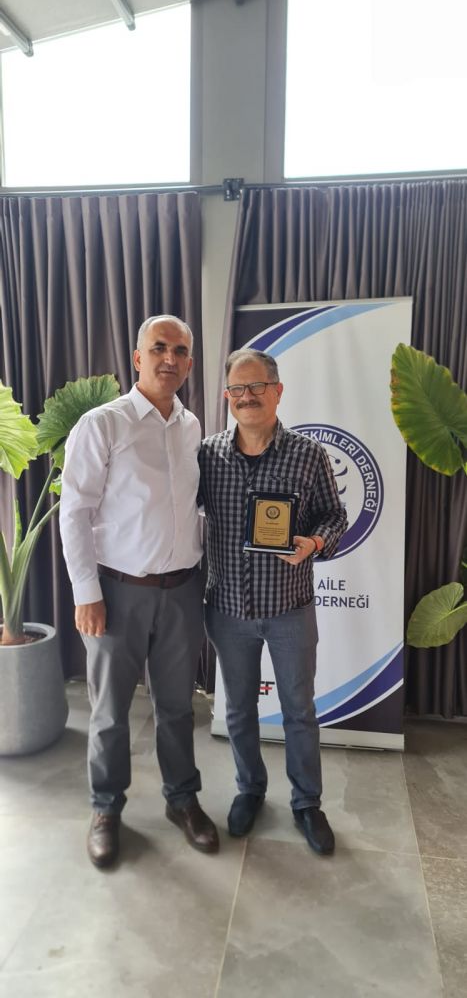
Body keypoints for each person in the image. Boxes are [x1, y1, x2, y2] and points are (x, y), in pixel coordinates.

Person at [59, 315, 219, 868]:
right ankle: (106, 809)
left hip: (182, 592)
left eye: (180, 351)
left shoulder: (192, 426)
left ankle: (182, 800)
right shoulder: (103, 424)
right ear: (137, 357)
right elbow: (74, 512)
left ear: (189, 364)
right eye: (158, 348)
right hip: (117, 593)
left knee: (177, 707)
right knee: (109, 711)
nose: (169, 358)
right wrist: (86, 591)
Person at [199, 348, 347, 855]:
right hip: (228, 609)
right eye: (237, 389)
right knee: (238, 709)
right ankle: (250, 789)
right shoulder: (207, 455)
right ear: (227, 396)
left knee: (299, 711)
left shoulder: (308, 454)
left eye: (257, 386)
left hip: (290, 608)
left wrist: (313, 542)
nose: (247, 397)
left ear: (278, 391)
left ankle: (307, 803)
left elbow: (335, 516)